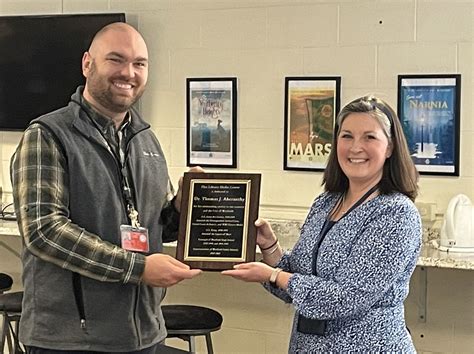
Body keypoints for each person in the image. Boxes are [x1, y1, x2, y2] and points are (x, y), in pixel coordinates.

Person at [10, 22, 202, 353]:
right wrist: (138, 268)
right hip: (70, 341)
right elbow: (44, 231)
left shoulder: (146, 139)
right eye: (116, 59)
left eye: (139, 63)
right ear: (88, 64)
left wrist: (180, 208)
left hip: (143, 334)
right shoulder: (48, 135)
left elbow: (155, 228)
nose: (128, 72)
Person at [223, 95, 422, 352]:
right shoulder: (326, 202)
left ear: (390, 147)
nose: (355, 147)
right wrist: (270, 247)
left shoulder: (396, 214)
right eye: (346, 136)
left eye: (369, 137)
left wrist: (273, 275)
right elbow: (298, 282)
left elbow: (347, 298)